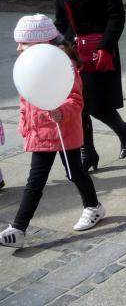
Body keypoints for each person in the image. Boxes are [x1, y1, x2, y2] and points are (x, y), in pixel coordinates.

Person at [1, 15, 105, 249]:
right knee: (35, 181)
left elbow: (76, 100)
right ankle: (18, 229)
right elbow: (27, 99)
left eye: (23, 43)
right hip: (42, 133)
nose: (18, 48)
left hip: (63, 131)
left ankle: (93, 207)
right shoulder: (30, 64)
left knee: (74, 173)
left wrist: (62, 111)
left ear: (41, 44)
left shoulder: (62, 65)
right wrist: (25, 125)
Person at [53, 0, 126, 172]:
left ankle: (123, 130)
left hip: (99, 49)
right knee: (77, 104)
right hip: (72, 51)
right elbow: (60, 20)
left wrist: (106, 46)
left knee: (96, 104)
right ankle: (87, 152)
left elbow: (116, 15)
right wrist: (53, 43)